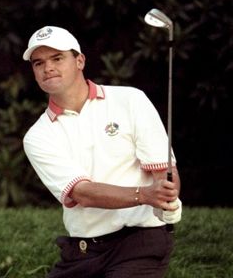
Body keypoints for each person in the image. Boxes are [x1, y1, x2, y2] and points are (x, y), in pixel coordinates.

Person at [21, 25, 182, 278]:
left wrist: (166, 193)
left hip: (140, 242)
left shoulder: (131, 100)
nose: (47, 67)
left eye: (57, 58)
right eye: (38, 63)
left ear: (80, 61)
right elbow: (82, 193)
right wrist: (146, 195)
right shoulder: (38, 136)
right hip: (82, 252)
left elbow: (163, 171)